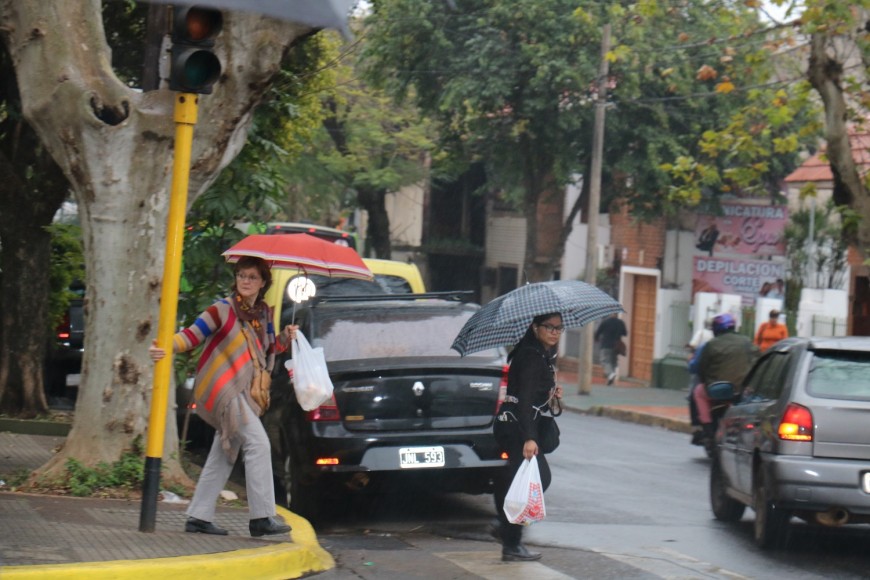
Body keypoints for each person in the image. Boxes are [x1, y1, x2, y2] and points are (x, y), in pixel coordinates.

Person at [149, 256, 298, 537]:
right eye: (242, 275)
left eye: (252, 277)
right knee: (258, 444)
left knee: (225, 452)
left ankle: (198, 517)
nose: (245, 281)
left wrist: (285, 337)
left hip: (246, 391)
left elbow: (269, 349)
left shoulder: (263, 314)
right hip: (224, 390)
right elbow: (191, 335)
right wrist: (165, 346)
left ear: (263, 282)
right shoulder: (221, 309)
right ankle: (262, 517)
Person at [491, 312, 564, 562]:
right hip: (519, 428)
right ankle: (508, 535)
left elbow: (531, 395)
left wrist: (550, 393)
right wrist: (529, 439)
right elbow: (522, 402)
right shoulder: (532, 357)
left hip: (516, 426)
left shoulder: (537, 354)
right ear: (535, 328)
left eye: (559, 328)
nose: (555, 332)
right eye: (549, 327)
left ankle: (507, 535)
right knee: (538, 479)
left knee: (518, 481)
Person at [695, 312, 759, 440]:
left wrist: (705, 381)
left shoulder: (712, 344)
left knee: (698, 392)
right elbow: (757, 361)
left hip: (717, 390)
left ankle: (707, 426)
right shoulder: (746, 342)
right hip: (741, 390)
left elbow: (701, 367)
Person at [594, 314, 627, 385]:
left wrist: (596, 339)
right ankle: (611, 377)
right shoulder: (620, 322)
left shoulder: (605, 322)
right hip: (616, 346)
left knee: (605, 361)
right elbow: (625, 333)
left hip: (606, 345)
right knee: (613, 362)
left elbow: (598, 332)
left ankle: (610, 374)